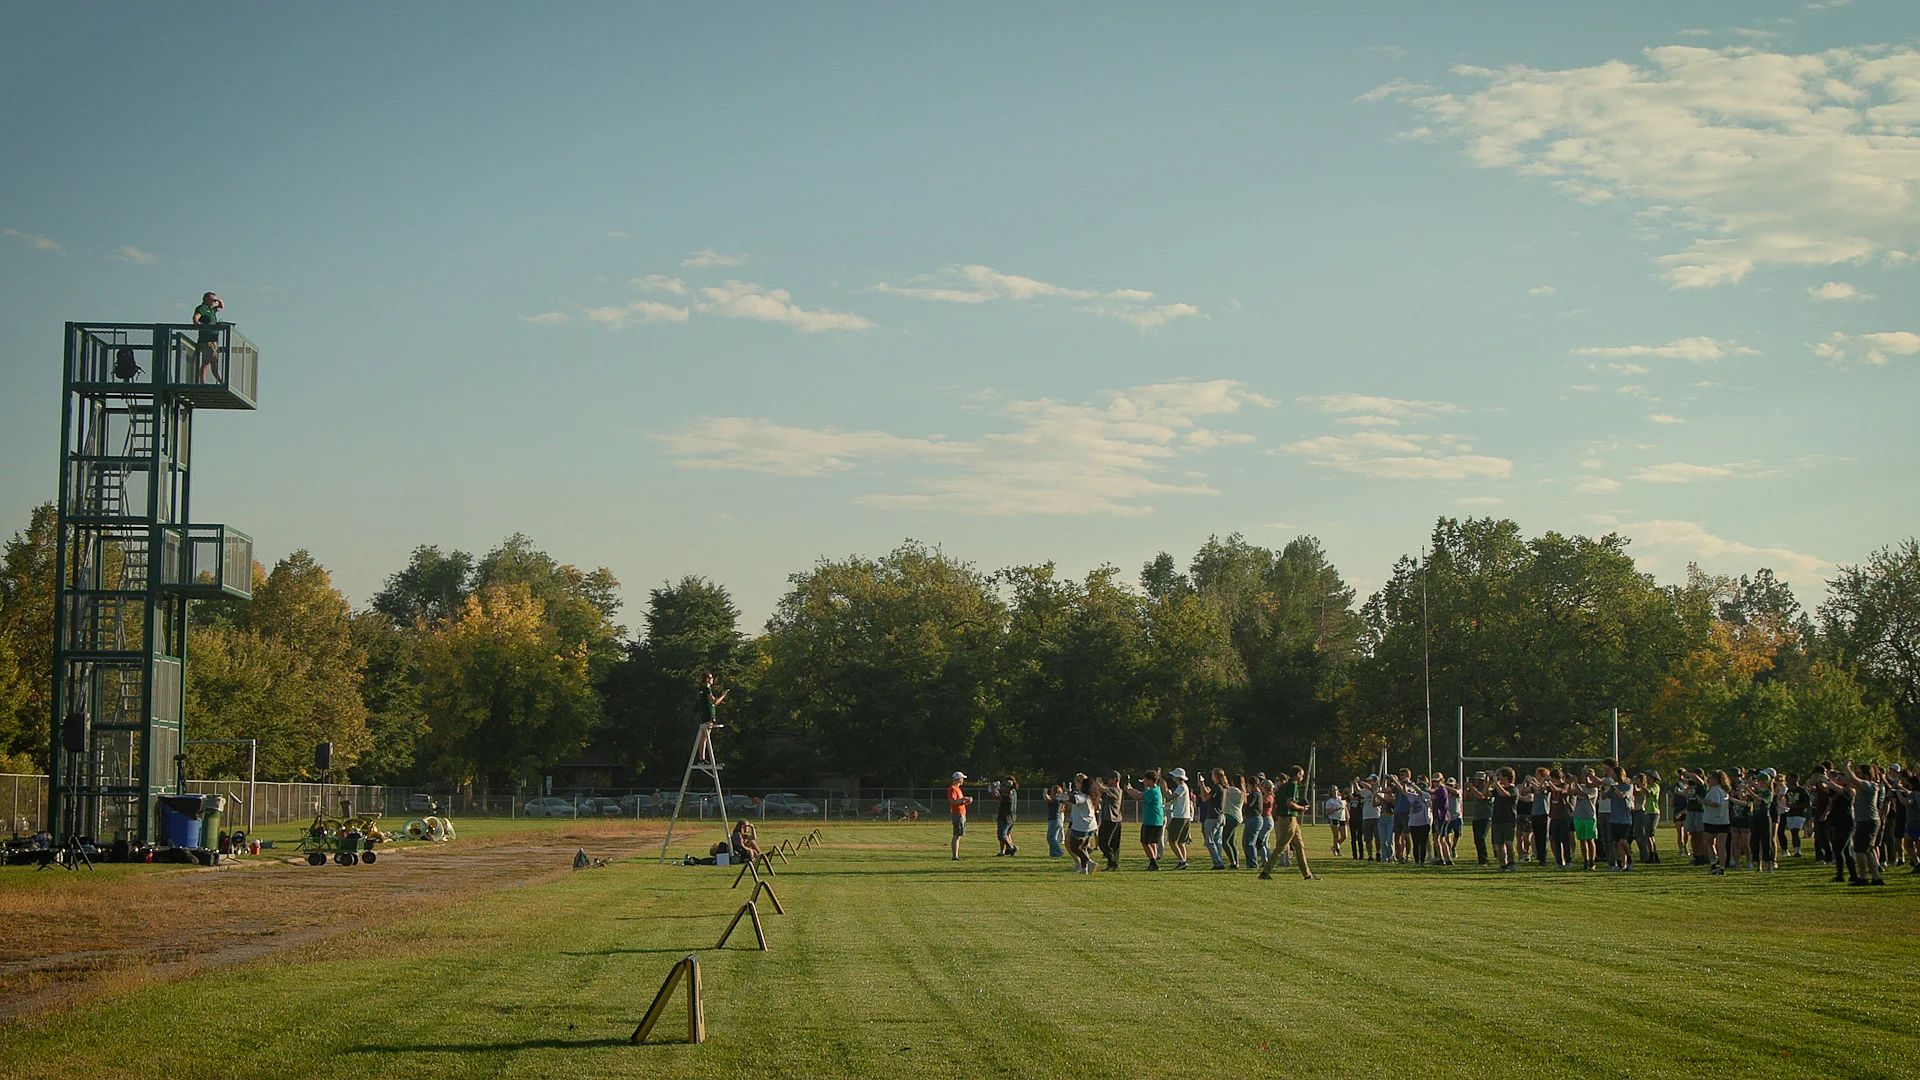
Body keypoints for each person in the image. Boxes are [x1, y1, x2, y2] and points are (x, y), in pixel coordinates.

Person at [1259, 765, 1317, 881]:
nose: (1302, 778)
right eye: (1302, 775)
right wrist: (1301, 808)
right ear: (1297, 775)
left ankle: (1307, 874)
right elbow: (1289, 803)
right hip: (1288, 818)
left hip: (1287, 818)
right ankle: (1265, 872)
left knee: (1299, 846)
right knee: (1282, 846)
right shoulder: (1292, 785)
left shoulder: (1284, 786)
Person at [1836, 762, 1887, 886]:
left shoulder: (1869, 784)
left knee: (1860, 850)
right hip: (1867, 820)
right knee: (1868, 850)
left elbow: (1852, 779)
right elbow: (1849, 781)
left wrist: (1846, 767)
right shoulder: (1865, 785)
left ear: (1865, 774)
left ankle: (1863, 878)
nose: (1857, 774)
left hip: (1868, 821)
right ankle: (1876, 878)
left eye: (1859, 772)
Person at [1126, 770, 1166, 870]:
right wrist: (1131, 789)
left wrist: (1127, 789)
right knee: (1152, 843)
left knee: (1145, 842)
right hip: (1156, 820)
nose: (1144, 782)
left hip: (1151, 820)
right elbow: (1141, 793)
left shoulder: (1153, 791)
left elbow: (1138, 796)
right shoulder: (1156, 789)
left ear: (1151, 780)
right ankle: (1153, 863)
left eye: (1146, 780)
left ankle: (1153, 863)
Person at [1066, 776, 1099, 874]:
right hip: (1092, 826)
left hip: (1081, 826)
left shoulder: (1082, 796)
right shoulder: (1092, 796)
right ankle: (1084, 869)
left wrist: (1067, 794)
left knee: (1074, 847)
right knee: (1083, 847)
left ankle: (1090, 862)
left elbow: (1074, 800)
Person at [1701, 770, 1732, 875]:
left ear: (1716, 779)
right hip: (1723, 821)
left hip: (1712, 820)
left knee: (1710, 844)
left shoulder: (1715, 790)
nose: (1708, 780)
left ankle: (1713, 865)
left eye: (1710, 778)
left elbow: (1716, 803)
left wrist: (1704, 802)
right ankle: (1722, 867)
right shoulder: (1724, 790)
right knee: (1721, 846)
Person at [694, 673, 728, 764]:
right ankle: (702, 758)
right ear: (707, 679)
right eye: (711, 677)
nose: (713, 679)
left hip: (707, 714)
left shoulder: (702, 689)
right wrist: (723, 695)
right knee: (705, 737)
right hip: (709, 714)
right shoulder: (707, 689)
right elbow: (715, 702)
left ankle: (702, 758)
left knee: (704, 737)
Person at [1490, 767, 1520, 872]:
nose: (1499, 778)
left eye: (1500, 776)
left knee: (1509, 843)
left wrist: (1496, 782)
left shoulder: (1513, 789)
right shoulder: (1498, 789)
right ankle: (1503, 865)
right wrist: (1488, 782)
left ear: (1506, 777)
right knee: (1499, 844)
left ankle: (1511, 863)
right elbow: (1485, 794)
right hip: (1497, 819)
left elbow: (1504, 794)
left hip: (1509, 819)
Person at [1165, 768, 1194, 869]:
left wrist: (1164, 788)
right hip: (1185, 817)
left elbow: (1169, 798)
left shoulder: (1181, 787)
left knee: (1172, 841)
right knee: (1181, 842)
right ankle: (1183, 861)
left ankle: (1182, 861)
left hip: (1179, 817)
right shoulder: (1184, 786)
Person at [1608, 766, 1635, 871]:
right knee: (1615, 842)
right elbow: (1605, 797)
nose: (1612, 776)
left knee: (1623, 841)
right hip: (1614, 818)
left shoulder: (1628, 786)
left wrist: (1613, 788)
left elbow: (1622, 795)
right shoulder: (1614, 787)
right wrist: (1604, 788)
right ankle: (1619, 864)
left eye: (1614, 774)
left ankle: (1629, 860)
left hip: (1625, 819)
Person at [192, 291, 224, 382]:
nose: (214, 302)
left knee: (212, 360)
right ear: (206, 299)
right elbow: (195, 317)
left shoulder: (211, 310)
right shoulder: (202, 308)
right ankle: (210, 381)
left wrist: (219, 300)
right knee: (208, 361)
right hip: (206, 340)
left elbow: (221, 307)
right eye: (213, 300)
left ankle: (219, 380)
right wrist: (198, 324)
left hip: (213, 340)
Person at [1097, 771, 1125, 871]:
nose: (1108, 781)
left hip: (1111, 820)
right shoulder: (1113, 790)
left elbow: (1101, 788)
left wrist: (1097, 781)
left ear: (1115, 780)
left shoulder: (1115, 790)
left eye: (1109, 779)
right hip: (1115, 820)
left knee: (1103, 843)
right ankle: (1112, 864)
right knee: (1114, 844)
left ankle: (1113, 862)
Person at [1464, 773, 1492, 866]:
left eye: (1477, 780)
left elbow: (1481, 796)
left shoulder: (1487, 789)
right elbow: (1466, 798)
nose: (1476, 781)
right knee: (1477, 839)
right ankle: (1481, 858)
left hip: (1485, 817)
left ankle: (1483, 860)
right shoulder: (1475, 789)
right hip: (1476, 817)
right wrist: (1466, 789)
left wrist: (1471, 787)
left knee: (1481, 838)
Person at [947, 771, 974, 860]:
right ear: (958, 779)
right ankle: (955, 856)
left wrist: (966, 801)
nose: (962, 780)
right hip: (957, 814)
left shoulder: (958, 789)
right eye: (962, 778)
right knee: (957, 835)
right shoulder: (952, 789)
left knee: (959, 835)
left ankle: (956, 855)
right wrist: (963, 799)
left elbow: (959, 802)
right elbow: (953, 802)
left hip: (961, 813)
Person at [1220, 773, 1244, 869]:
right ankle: (1236, 862)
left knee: (1224, 841)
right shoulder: (1241, 791)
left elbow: (1224, 790)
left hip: (1231, 817)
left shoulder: (1233, 790)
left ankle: (1232, 862)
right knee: (1231, 841)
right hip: (1236, 817)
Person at [994, 776, 1019, 857]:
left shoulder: (1009, 794)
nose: (1004, 788)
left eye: (1005, 786)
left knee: (1002, 835)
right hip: (1008, 817)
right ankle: (1003, 851)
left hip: (1006, 817)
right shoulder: (1011, 793)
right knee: (1005, 835)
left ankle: (1012, 847)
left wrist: (994, 789)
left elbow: (998, 797)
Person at [1324, 785, 1347, 856]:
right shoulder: (1330, 801)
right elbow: (1327, 812)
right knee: (1336, 835)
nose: (1334, 792)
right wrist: (1335, 809)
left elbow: (1345, 808)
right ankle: (1338, 850)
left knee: (1344, 836)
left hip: (1342, 818)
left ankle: (1334, 846)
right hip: (1334, 818)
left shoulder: (1341, 799)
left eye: (1335, 790)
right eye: (1332, 790)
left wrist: (1347, 816)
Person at [1044, 784, 1066, 859]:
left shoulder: (1057, 799)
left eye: (1052, 790)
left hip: (1055, 820)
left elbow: (1049, 799)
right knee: (1054, 837)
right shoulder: (1057, 798)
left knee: (1050, 838)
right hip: (1056, 820)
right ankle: (1053, 854)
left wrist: (1045, 793)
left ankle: (1059, 852)